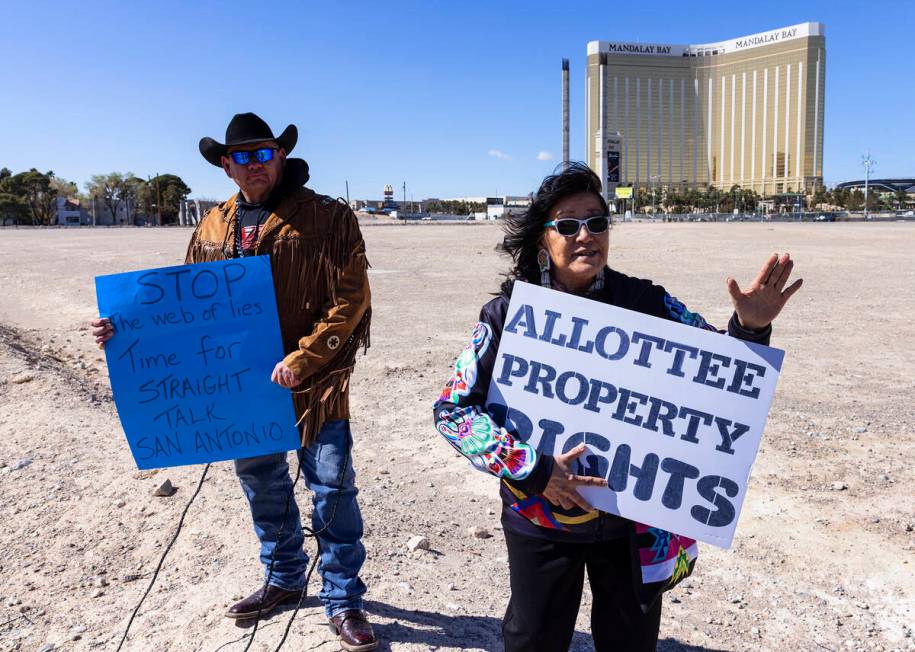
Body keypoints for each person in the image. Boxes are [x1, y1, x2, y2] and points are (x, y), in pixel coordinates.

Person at [432, 162, 802, 651]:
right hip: (540, 518)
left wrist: (749, 329)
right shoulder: (507, 318)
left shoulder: (647, 303)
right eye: (567, 225)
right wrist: (535, 470)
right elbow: (453, 410)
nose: (585, 235)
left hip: (633, 522)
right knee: (533, 639)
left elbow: (717, 370)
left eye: (597, 222)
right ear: (543, 240)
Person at [91, 113, 377, 651]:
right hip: (242, 390)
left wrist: (307, 357)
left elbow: (351, 297)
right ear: (226, 165)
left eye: (263, 153)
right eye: (241, 157)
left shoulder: (328, 217)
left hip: (316, 384)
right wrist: (121, 330)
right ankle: (284, 577)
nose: (254, 165)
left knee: (333, 490)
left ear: (281, 156)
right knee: (263, 485)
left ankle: (344, 600)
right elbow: (180, 308)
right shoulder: (213, 226)